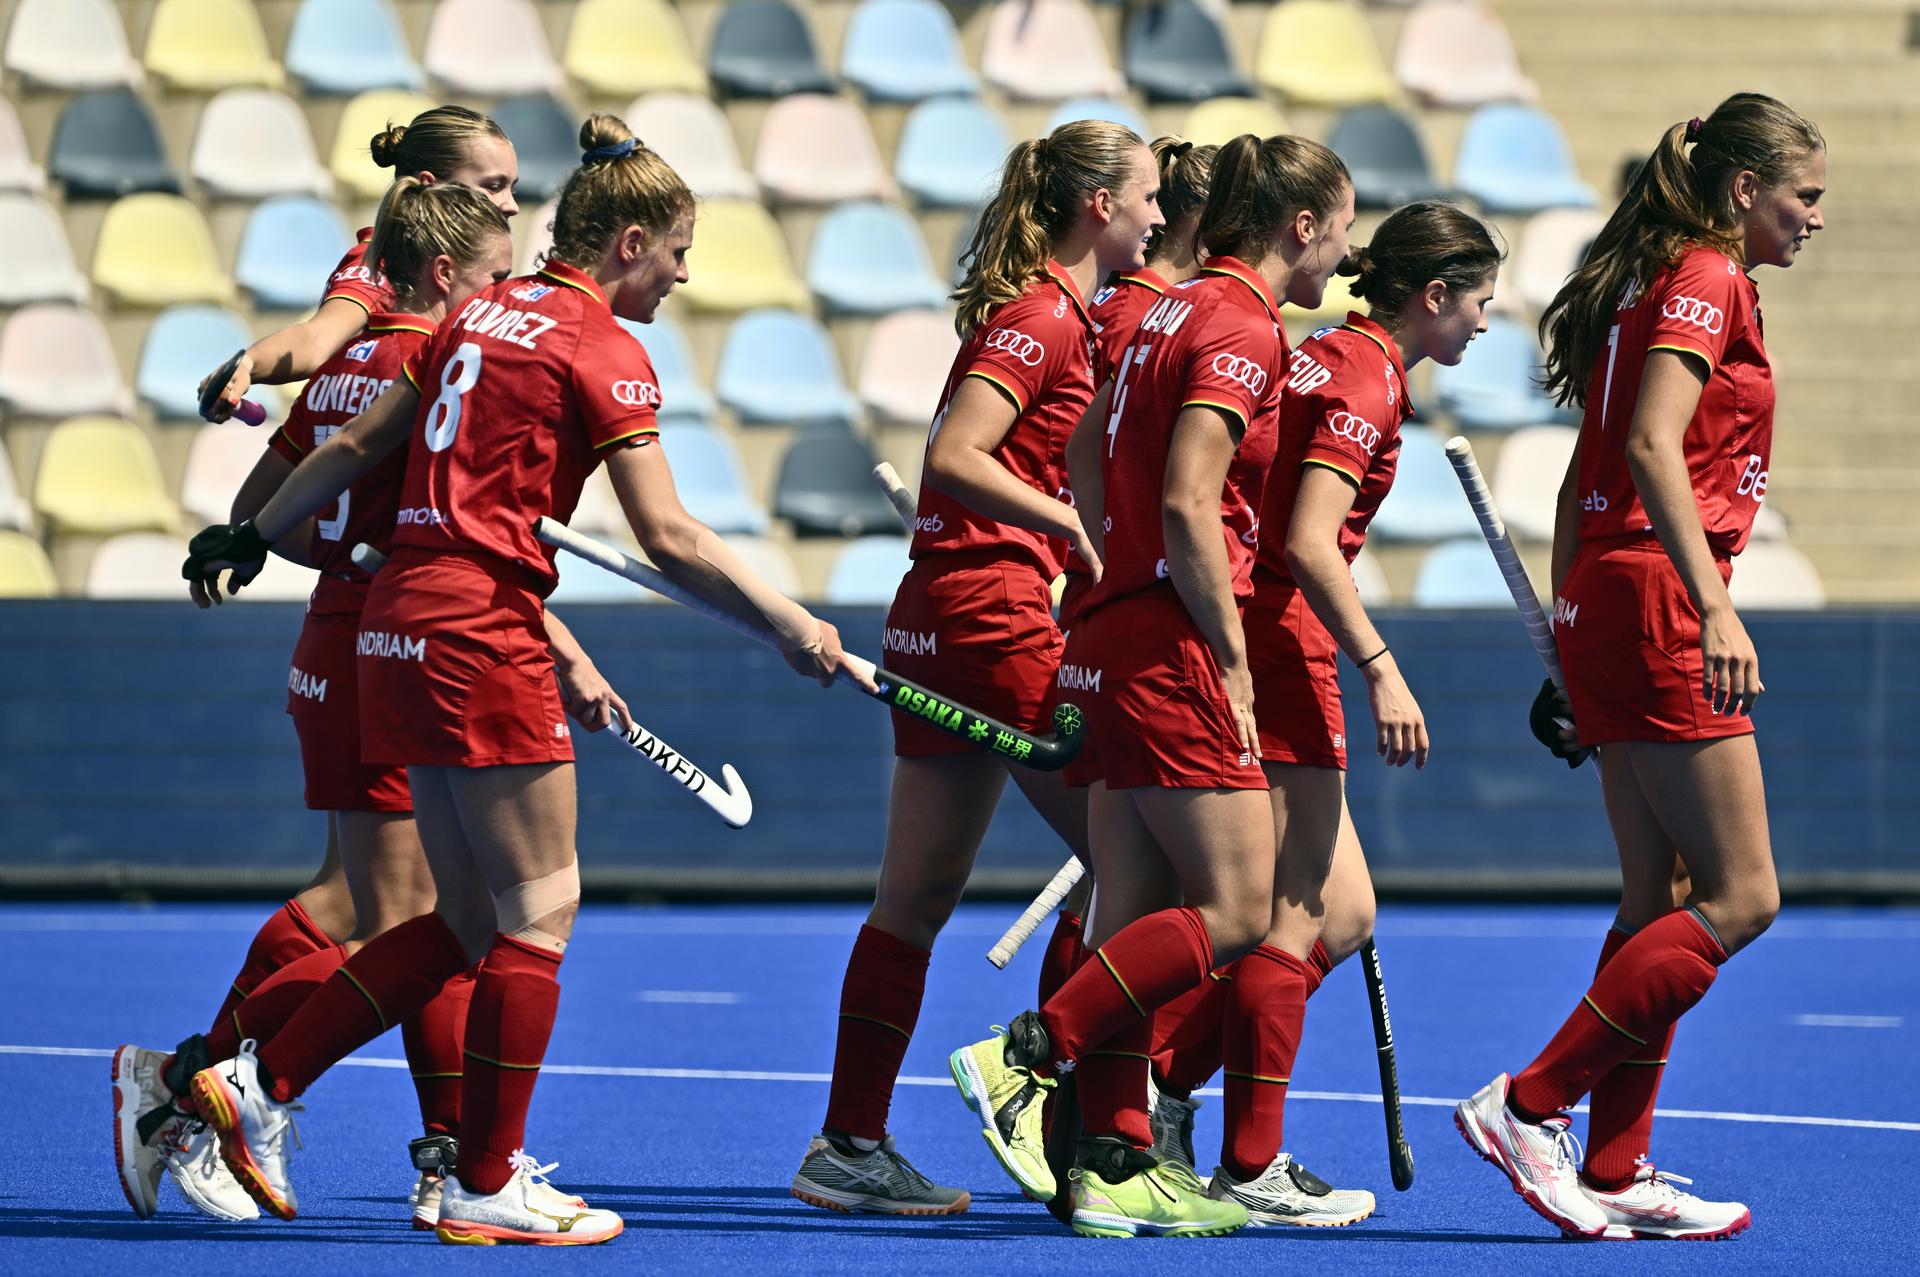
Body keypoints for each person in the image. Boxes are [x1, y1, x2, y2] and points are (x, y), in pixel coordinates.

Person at [177, 114, 864, 1246]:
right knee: (540, 914)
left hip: (394, 622)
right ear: (629, 240)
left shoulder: (474, 314)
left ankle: (254, 1084)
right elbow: (672, 537)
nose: (685, 278)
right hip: (482, 633)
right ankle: (486, 1178)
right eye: (678, 253)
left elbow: (349, 450)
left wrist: (250, 530)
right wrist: (794, 625)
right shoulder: (600, 347)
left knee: (459, 917)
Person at [949, 131, 1354, 1239]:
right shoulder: (1240, 321)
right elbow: (1188, 497)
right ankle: (1024, 1052)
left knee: (1127, 907)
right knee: (1231, 906)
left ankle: (1111, 1163)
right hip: (1171, 644)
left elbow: (1083, 448)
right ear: (1299, 225)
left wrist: (1106, 553)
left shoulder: (1158, 306)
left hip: (1106, 632)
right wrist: (1228, 653)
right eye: (1342, 228)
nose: (1345, 256)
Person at [111, 170, 527, 1230]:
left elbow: (267, 507)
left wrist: (354, 551)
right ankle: (216, 1086)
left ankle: (200, 1080)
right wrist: (384, 555)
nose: (515, 225)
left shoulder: (360, 360)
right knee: (414, 924)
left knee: (365, 904)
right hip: (384, 650)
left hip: (345, 640)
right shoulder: (419, 356)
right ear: (444, 233)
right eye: (498, 193)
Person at [1456, 92, 1825, 1242]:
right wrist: (1714, 604)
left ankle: (1614, 1164)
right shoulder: (1707, 277)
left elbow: (1584, 476)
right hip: (1663, 590)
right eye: (1805, 195)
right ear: (1746, 189)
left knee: (1656, 896)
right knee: (1743, 895)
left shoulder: (1647, 279)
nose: (1817, 218)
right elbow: (1658, 443)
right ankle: (1531, 1103)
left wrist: (1572, 624)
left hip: (1611, 588)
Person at [787, 118, 1162, 1218]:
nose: (1154, 214)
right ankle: (1078, 1123)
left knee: (916, 893)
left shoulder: (1066, 314)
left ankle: (848, 1141)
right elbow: (955, 455)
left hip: (945, 617)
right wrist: (1073, 523)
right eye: (1145, 196)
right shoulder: (1042, 315)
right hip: (990, 620)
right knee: (1139, 865)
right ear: (1100, 206)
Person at [1149, 200, 1504, 1227]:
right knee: (1292, 909)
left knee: (1338, 913)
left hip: (1254, 627)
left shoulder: (1324, 352)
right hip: (1285, 633)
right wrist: (1383, 666)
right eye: (1477, 301)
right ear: (1432, 295)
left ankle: (1165, 1088)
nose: (1483, 322)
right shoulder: (1366, 376)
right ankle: (1243, 1159)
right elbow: (1307, 538)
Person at [200, 105, 521, 420]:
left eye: (512, 187)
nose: (511, 205)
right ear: (429, 183)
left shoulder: (485, 268)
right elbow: (317, 338)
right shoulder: (383, 262)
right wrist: (249, 363)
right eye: (493, 186)